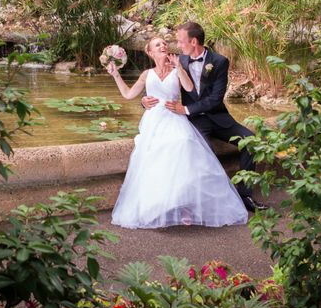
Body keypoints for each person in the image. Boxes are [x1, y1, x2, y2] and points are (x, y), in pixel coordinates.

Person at [106, 37, 248, 229]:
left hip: (174, 116)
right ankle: (159, 206)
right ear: (150, 52)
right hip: (154, 120)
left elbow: (190, 88)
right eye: (158, 45)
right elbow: (128, 95)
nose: (163, 46)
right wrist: (116, 75)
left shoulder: (177, 68)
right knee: (154, 153)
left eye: (165, 43)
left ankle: (185, 206)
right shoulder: (146, 74)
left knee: (183, 143)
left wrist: (179, 68)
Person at [142, 22, 267, 212]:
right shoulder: (179, 61)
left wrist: (186, 109)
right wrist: (143, 102)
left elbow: (216, 99)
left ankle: (245, 196)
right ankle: (202, 202)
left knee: (250, 142)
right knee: (201, 152)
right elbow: (159, 87)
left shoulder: (219, 61)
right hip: (195, 122)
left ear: (193, 41)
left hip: (218, 117)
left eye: (181, 41)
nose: (178, 44)